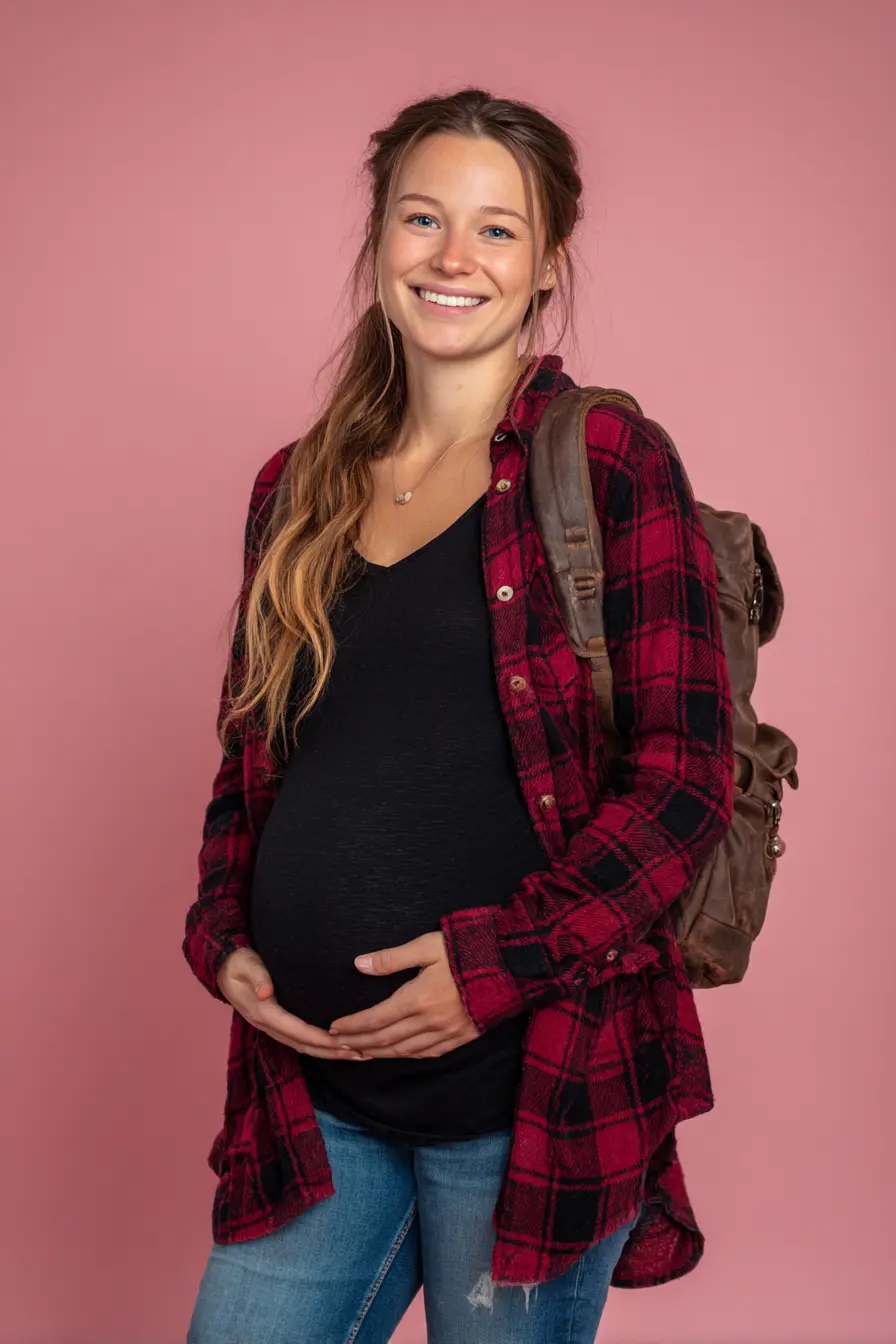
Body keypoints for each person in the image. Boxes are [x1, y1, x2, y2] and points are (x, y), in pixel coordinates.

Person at [183, 87, 734, 1344]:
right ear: (377, 239)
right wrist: (222, 933)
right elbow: (250, 762)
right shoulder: (297, 483)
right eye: (421, 218)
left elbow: (684, 778)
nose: (450, 257)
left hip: (528, 1100)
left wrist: (494, 972)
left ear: (546, 264)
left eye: (496, 230)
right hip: (310, 1094)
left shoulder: (605, 461)